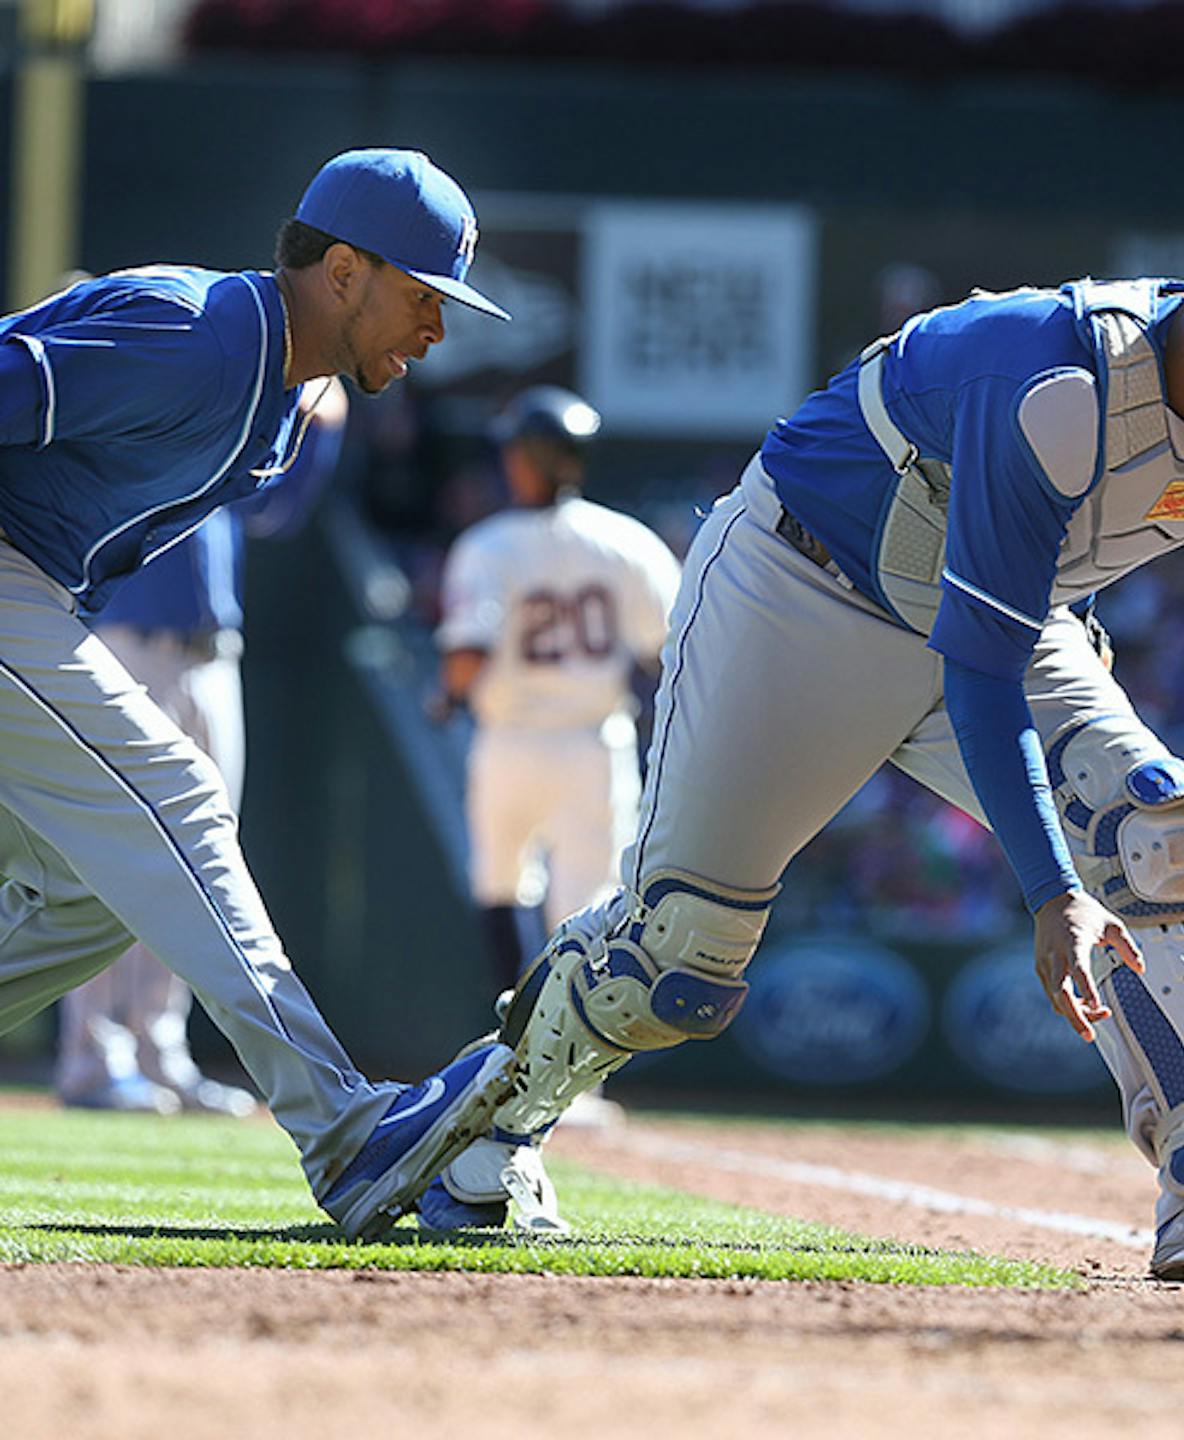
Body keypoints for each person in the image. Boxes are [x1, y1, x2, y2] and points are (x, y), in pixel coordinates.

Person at [423, 220, 1184, 1278]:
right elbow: (981, 670)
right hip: (802, 594)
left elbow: (1042, 578)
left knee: (1151, 822)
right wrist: (1052, 891)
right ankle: (489, 1129)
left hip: (984, 612)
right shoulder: (1060, 383)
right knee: (679, 964)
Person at [0, 147, 522, 1238]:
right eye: (423, 297)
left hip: (36, 586)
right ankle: (345, 1132)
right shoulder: (193, 331)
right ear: (342, 270)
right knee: (178, 795)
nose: (437, 330)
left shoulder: (284, 403)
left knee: (96, 891)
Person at [53, 380, 348, 1118]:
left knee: (200, 854)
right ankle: (95, 1058)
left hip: (210, 655)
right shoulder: (99, 438)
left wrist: (320, 430)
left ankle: (160, 1050)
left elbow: (273, 508)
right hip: (124, 647)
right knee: (115, 851)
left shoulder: (199, 435)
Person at [434, 385, 681, 1125]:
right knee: (588, 912)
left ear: (530, 457)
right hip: (591, 745)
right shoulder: (625, 540)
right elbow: (669, 651)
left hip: (509, 743)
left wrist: (443, 695)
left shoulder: (488, 545)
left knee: (501, 891)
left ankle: (513, 1066)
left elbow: (465, 657)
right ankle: (575, 1083)